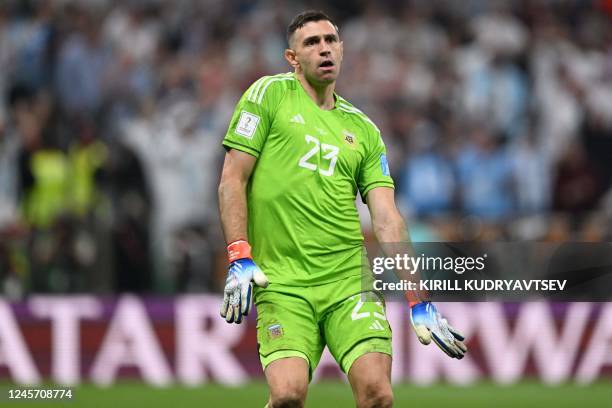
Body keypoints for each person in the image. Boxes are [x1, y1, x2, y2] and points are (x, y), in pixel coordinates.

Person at [218, 11, 466, 408]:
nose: (324, 49)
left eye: (331, 40)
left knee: (378, 395)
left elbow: (387, 217)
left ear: (342, 49)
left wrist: (418, 297)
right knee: (286, 396)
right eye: (311, 42)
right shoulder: (268, 95)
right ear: (292, 57)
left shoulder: (364, 130)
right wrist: (238, 253)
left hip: (349, 281)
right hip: (282, 281)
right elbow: (233, 178)